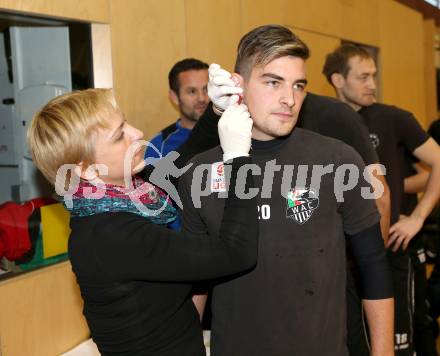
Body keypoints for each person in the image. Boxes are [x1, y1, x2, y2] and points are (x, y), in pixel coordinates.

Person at [179, 25, 394, 356]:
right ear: (238, 85)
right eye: (272, 82)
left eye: (298, 85)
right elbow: (196, 282)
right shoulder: (201, 173)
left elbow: (374, 265)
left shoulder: (337, 161)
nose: (289, 99)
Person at [27, 88, 259, 355]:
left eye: (125, 123)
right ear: (86, 170)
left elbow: (180, 163)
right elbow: (236, 252)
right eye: (119, 136)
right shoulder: (110, 235)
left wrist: (215, 110)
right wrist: (238, 160)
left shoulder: (122, 197)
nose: (137, 133)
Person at [323, 43, 440, 355]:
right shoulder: (319, 119)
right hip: (340, 257)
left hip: (391, 249)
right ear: (338, 80)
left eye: (373, 76)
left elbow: (438, 162)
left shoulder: (393, 118)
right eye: (363, 77)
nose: (372, 84)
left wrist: (416, 218)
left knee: (397, 344)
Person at [144, 58, 209, 160]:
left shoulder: (229, 132)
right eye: (192, 91)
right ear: (174, 97)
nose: (202, 98)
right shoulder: (158, 146)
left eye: (206, 89)